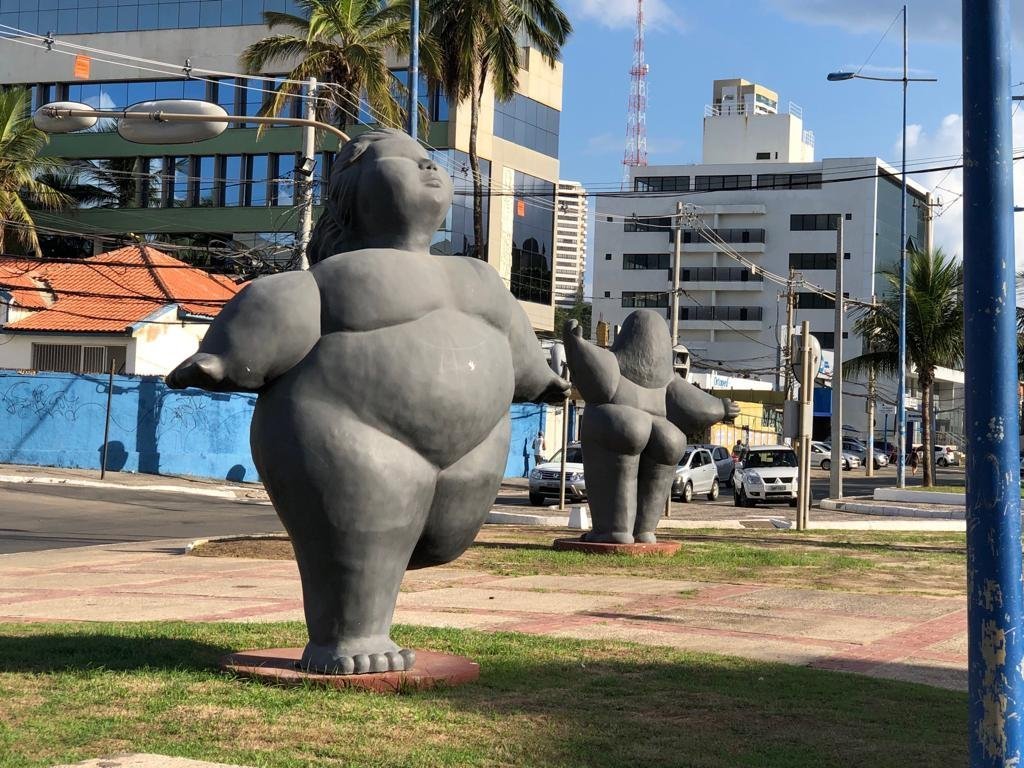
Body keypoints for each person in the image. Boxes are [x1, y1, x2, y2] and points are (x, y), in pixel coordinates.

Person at [166, 128, 570, 676]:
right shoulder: (335, 276)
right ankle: (346, 636)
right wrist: (224, 357)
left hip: (470, 445)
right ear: (352, 191)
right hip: (346, 429)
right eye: (405, 162)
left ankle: (366, 618)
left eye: (432, 161)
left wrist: (540, 376)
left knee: (440, 543)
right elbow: (283, 303)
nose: (429, 169)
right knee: (361, 537)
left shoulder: (476, 276)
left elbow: (517, 342)